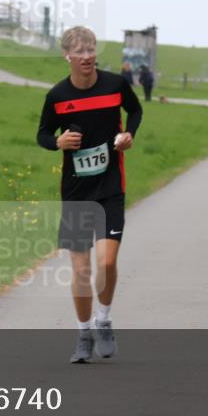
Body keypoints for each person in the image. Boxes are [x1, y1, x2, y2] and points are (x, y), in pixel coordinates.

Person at [37, 26, 143, 363]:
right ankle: (83, 333)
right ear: (66, 55)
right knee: (81, 270)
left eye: (91, 49)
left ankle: (104, 319)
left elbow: (135, 110)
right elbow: (42, 133)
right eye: (80, 51)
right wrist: (57, 142)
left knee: (107, 261)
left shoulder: (115, 85)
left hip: (111, 186)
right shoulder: (57, 96)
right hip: (77, 192)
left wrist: (129, 134)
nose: (87, 56)